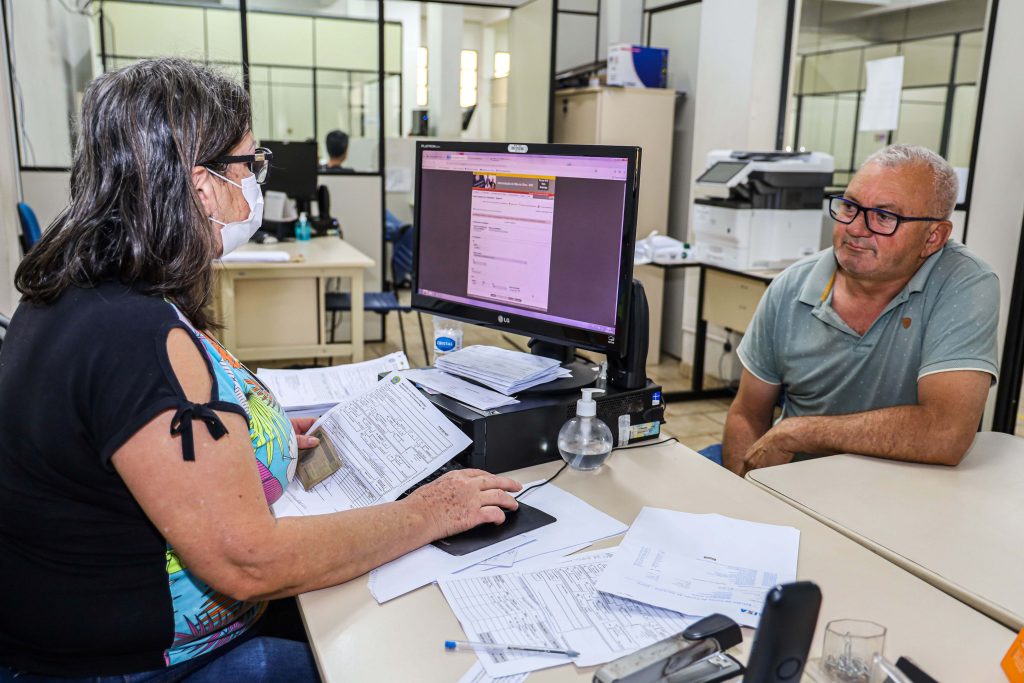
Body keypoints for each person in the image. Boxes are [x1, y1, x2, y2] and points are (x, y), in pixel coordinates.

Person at [0, 58, 521, 681]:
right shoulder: (130, 337)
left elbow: (152, 449)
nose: (257, 181)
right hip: (132, 663)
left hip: (94, 632)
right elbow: (250, 565)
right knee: (403, 655)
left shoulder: (86, 288)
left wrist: (261, 447)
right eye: (251, 163)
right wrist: (432, 511)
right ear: (201, 185)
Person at [723, 144, 999, 476]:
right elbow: (748, 413)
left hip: (906, 491)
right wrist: (743, 494)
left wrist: (801, 432)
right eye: (850, 206)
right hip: (798, 483)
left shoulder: (964, 284)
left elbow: (945, 433)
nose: (855, 227)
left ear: (933, 237)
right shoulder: (791, 286)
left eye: (884, 216)